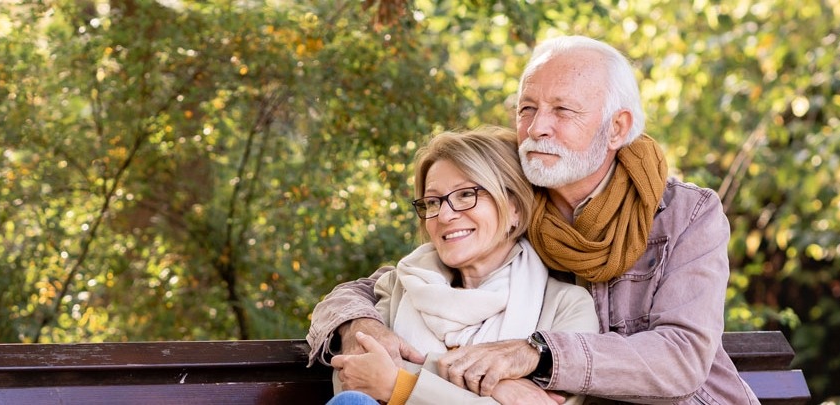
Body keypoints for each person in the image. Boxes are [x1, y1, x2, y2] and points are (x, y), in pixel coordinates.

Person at [309, 36, 759, 404]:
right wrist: (361, 326)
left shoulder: (685, 213)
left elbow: (680, 358)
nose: (537, 127)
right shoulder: (508, 198)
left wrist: (536, 353)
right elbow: (381, 287)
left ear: (617, 128)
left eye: (562, 110)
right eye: (526, 109)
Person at [328, 127, 599, 405]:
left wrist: (402, 386)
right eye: (432, 201)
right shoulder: (401, 285)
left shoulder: (567, 305)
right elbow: (354, 378)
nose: (444, 215)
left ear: (515, 208)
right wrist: (492, 387)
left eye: (466, 194)